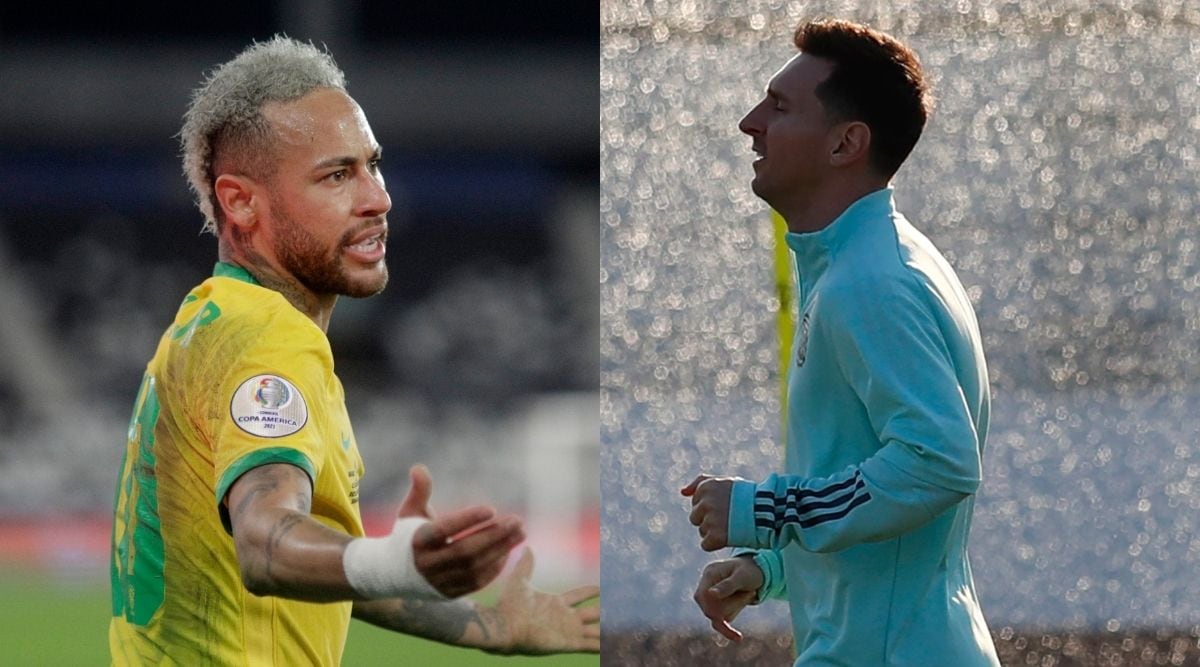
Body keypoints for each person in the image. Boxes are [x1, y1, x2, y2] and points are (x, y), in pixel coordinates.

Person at [109, 36, 599, 664]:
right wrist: (393, 560)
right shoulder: (267, 339)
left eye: (372, 164)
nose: (377, 198)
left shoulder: (209, 320)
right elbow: (265, 544)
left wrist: (485, 624)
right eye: (337, 175)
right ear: (240, 202)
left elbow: (306, 565)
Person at [681, 19, 1000, 665]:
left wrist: (762, 507)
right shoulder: (867, 262)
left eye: (779, 106)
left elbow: (938, 462)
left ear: (845, 143)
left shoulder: (871, 282)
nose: (750, 122)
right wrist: (771, 567)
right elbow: (877, 487)